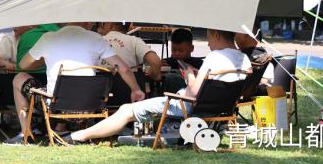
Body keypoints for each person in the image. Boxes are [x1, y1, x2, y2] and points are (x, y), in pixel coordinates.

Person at [69, 28, 251, 143]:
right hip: (217, 108)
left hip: (183, 103)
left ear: (216, 34)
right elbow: (220, 85)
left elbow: (194, 92)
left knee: (126, 110)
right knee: (132, 111)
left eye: (209, 38)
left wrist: (189, 75)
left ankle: (80, 136)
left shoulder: (215, 56)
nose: (209, 43)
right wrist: (196, 76)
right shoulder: (243, 58)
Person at [7, 22, 145, 144]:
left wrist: (44, 58)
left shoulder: (48, 38)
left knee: (19, 77)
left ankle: (26, 133)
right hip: (90, 106)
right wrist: (136, 90)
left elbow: (24, 65)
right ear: (87, 21)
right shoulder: (96, 38)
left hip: (56, 106)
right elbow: (124, 68)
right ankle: (61, 130)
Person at [98, 22, 162, 82]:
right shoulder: (134, 41)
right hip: (127, 87)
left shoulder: (97, 41)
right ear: (128, 27)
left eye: (104, 24)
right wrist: (154, 76)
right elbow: (155, 62)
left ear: (110, 25)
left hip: (99, 87)